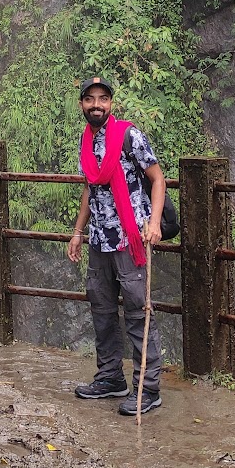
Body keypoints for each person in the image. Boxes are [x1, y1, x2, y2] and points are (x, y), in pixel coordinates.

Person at [66, 75, 165, 415]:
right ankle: (110, 377)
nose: (96, 105)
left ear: (111, 103)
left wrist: (153, 224)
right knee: (103, 311)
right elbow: (90, 188)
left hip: (130, 237)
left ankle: (147, 389)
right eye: (90, 99)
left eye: (102, 99)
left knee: (138, 312)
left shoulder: (128, 135)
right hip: (99, 239)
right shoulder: (86, 139)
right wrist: (78, 231)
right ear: (82, 104)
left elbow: (157, 179)